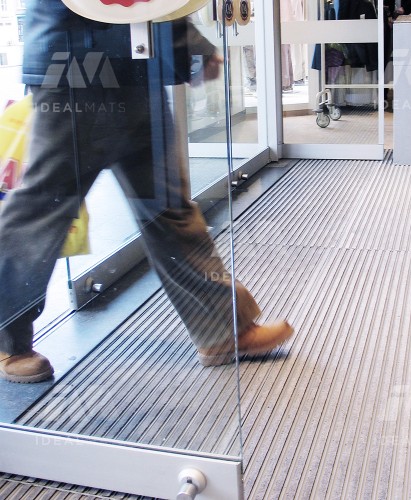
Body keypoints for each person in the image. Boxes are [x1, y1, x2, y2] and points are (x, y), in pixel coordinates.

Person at [0, 0, 293, 383]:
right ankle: (7, 337)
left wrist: (188, 46)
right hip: (76, 65)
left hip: (136, 62)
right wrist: (188, 45)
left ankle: (223, 330)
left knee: (168, 207)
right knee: (43, 210)